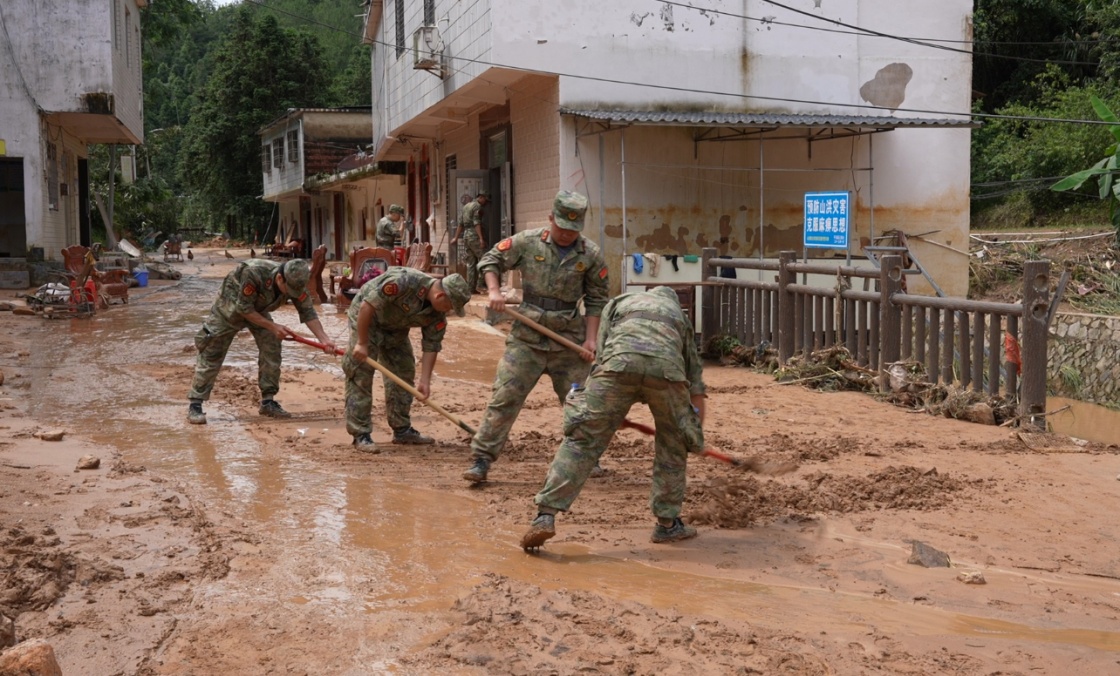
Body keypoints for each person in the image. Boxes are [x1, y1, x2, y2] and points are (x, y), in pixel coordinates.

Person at [520, 286, 707, 551]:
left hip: (616, 367)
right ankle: (667, 525)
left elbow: (601, 359)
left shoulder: (619, 302)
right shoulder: (679, 316)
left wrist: (608, 411)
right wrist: (692, 434)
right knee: (672, 445)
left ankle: (545, 515)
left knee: (582, 440)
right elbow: (696, 383)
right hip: (667, 371)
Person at [462, 190, 610, 483]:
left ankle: (585, 459)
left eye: (573, 230)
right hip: (527, 336)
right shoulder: (527, 242)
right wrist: (494, 291)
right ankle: (481, 460)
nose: (567, 235)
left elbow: (597, 300)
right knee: (505, 396)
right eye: (561, 228)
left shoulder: (590, 254)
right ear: (551, 218)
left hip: (569, 338)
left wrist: (591, 340)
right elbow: (490, 261)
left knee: (579, 402)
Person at [187, 258, 337, 424]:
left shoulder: (296, 282)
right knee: (212, 351)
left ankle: (268, 401)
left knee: (272, 343)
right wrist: (273, 326)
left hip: (258, 310)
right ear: (280, 278)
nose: (291, 295)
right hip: (229, 308)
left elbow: (308, 312)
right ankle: (196, 404)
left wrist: (325, 340)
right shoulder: (254, 272)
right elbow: (243, 308)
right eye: (289, 291)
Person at [343, 270, 472, 451]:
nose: (448, 310)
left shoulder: (437, 314)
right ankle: (360, 434)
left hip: (396, 327)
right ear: (440, 295)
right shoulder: (403, 282)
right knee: (361, 372)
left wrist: (425, 381)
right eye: (449, 305)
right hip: (368, 319)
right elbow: (367, 307)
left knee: (403, 370)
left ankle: (402, 430)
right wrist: (362, 343)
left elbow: (432, 346)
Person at [450, 191, 489, 293]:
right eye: (485, 199)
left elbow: (460, 224)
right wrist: (481, 238)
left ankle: (470, 288)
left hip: (466, 237)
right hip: (474, 236)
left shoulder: (466, 206)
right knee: (484, 259)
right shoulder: (477, 207)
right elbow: (476, 223)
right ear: (481, 197)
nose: (485, 202)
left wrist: (455, 237)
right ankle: (480, 284)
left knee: (471, 263)